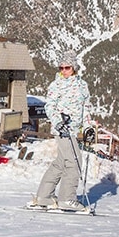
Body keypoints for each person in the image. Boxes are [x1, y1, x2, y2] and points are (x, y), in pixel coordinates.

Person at [32, 51, 92, 212]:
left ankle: (44, 196)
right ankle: (67, 199)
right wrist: (58, 122)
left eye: (67, 67)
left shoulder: (82, 85)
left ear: (74, 67)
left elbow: (86, 107)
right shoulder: (56, 85)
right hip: (62, 129)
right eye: (61, 68)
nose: (64, 71)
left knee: (61, 162)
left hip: (73, 130)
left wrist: (88, 127)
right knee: (74, 161)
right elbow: (49, 106)